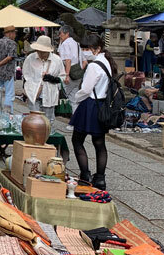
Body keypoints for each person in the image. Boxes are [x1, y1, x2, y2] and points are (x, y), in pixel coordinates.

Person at [70, 33, 117, 190]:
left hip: (90, 104)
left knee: (77, 140)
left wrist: (75, 97)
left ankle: (85, 174)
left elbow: (86, 89)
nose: (84, 51)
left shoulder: (93, 66)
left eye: (87, 48)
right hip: (103, 104)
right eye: (83, 48)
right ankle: (100, 178)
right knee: (99, 143)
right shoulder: (107, 62)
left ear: (96, 49)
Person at [22, 35, 65, 127]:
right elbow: (26, 75)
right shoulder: (30, 58)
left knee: (48, 121)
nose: (40, 53)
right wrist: (26, 90)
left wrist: (53, 79)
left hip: (49, 94)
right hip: (34, 93)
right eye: (39, 51)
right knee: (34, 120)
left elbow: (62, 77)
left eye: (43, 52)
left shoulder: (57, 60)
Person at [58, 25, 82, 125]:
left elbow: (68, 60)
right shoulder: (76, 43)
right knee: (75, 98)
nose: (59, 36)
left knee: (67, 95)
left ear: (67, 33)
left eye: (61, 34)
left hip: (70, 72)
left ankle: (74, 122)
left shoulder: (65, 44)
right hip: (78, 72)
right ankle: (77, 120)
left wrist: (67, 74)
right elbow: (83, 61)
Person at [0, 25, 18, 113]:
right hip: (8, 71)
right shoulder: (12, 43)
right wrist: (0, 64)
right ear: (10, 33)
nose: (15, 35)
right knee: (9, 94)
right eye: (14, 33)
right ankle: (8, 113)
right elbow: (10, 57)